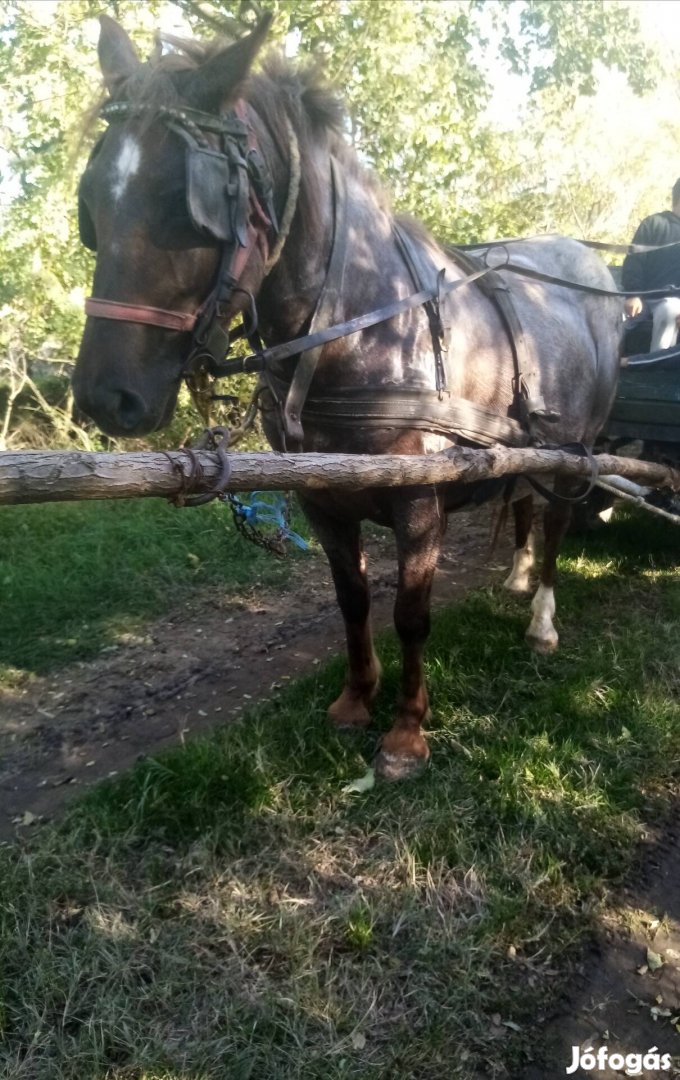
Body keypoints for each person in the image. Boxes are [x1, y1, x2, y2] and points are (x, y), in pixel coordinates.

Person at [622, 179, 680, 351]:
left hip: (671, 301)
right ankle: (604, 367)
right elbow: (634, 261)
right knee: (611, 317)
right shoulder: (653, 223)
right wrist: (633, 294)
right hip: (642, 298)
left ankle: (655, 368)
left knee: (669, 312)